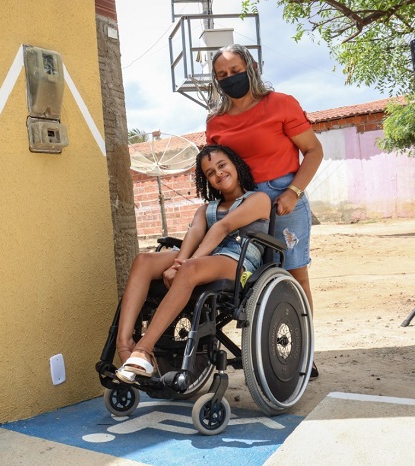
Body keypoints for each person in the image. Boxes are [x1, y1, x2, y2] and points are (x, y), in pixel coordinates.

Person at [205, 44, 324, 378]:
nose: (230, 78)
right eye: (222, 74)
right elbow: (216, 165)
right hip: (241, 202)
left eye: (235, 70)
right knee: (246, 278)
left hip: (284, 199)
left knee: (295, 275)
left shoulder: (281, 104)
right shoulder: (215, 121)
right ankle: (261, 350)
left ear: (252, 68)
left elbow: (314, 151)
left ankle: (303, 352)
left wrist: (293, 192)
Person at [115, 145, 271, 384]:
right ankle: (124, 346)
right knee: (144, 260)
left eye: (222, 165)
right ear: (207, 180)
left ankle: (144, 349)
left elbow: (223, 227)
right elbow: (194, 233)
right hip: (204, 257)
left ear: (236, 164)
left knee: (190, 268)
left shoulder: (258, 199)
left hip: (237, 259)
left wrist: (186, 265)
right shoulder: (206, 209)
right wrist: (177, 264)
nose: (218, 173)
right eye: (210, 172)